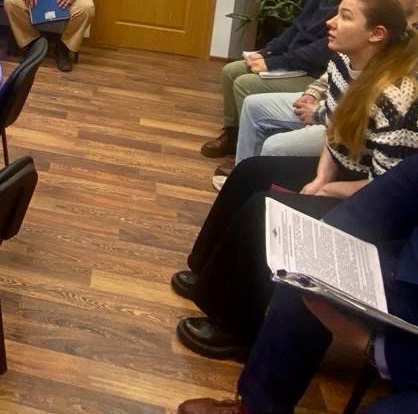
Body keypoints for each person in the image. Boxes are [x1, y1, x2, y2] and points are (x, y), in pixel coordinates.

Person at [173, 0, 418, 359]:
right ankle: (205, 271)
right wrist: (321, 177)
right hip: (341, 173)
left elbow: (386, 186)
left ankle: (236, 328)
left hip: (373, 205)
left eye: (345, 17)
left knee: (265, 209)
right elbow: (334, 129)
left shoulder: (399, 96)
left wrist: (328, 190)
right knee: (250, 173)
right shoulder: (344, 62)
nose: (330, 23)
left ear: (376, 33)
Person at [177, 154, 418, 414]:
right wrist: (324, 236)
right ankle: (256, 406)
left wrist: (372, 345)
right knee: (302, 277)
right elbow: (395, 191)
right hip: (402, 263)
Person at [225, 0, 418, 185]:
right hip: (331, 112)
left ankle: (261, 183)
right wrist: (313, 93)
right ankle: (242, 171)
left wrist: (318, 113)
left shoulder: (397, 72)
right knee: (252, 104)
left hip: (348, 127)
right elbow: (333, 74)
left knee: (274, 145)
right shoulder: (351, 41)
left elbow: (359, 112)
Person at [201, 0, 379, 159]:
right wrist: (266, 53)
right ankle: (232, 133)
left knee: (244, 83)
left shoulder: (360, 9)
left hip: (313, 72)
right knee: (230, 71)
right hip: (293, 62)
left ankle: (250, 149)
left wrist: (274, 63)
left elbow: (320, 52)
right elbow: (296, 28)